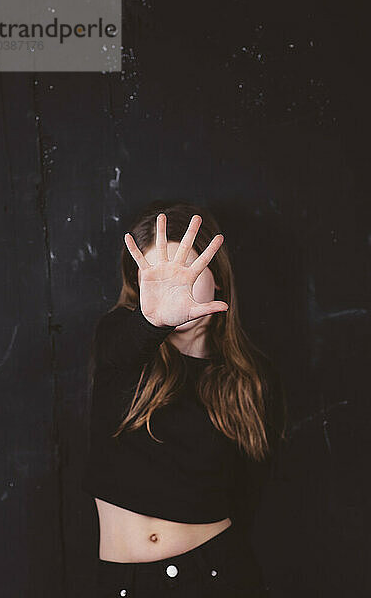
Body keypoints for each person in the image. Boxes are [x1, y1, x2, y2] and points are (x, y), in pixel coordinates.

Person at [81, 202, 287, 597]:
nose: (171, 287)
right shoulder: (118, 340)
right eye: (154, 279)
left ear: (219, 277)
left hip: (216, 574)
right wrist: (152, 322)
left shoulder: (248, 380)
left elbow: (249, 497)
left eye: (185, 272)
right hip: (124, 583)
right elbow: (124, 345)